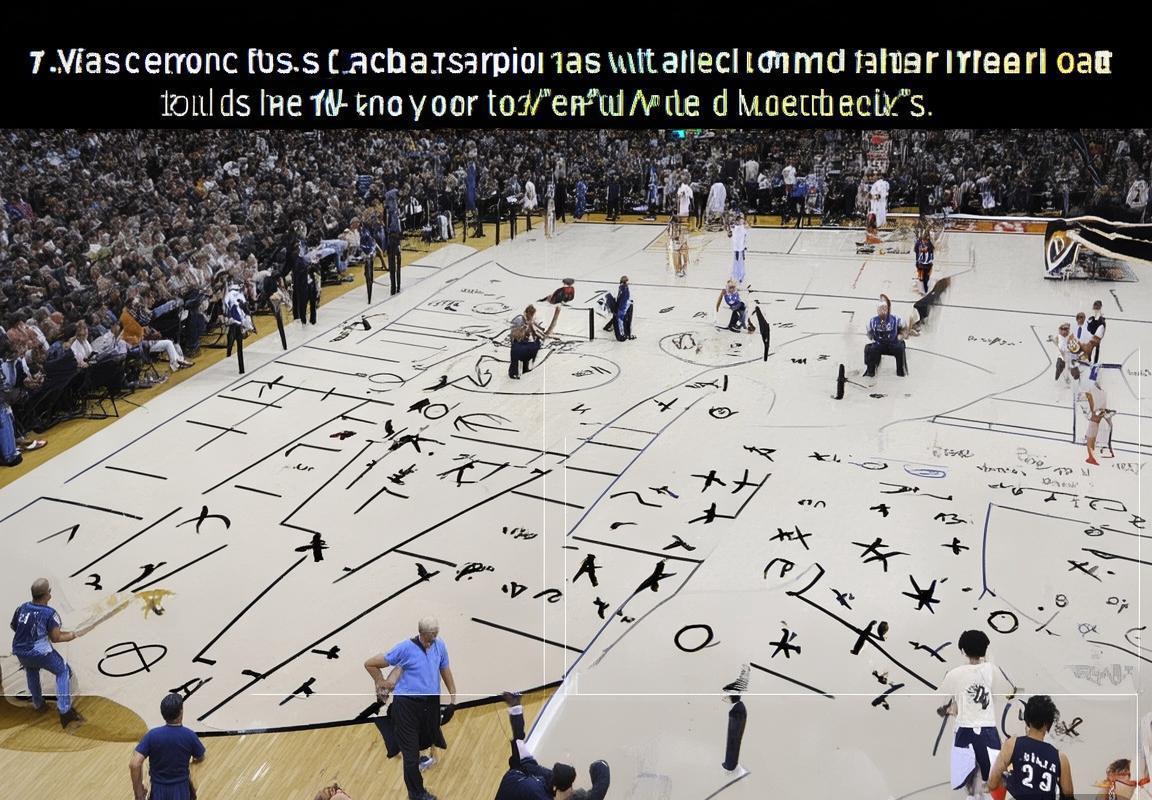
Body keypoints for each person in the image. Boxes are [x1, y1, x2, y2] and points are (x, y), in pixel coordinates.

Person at [365, 617, 457, 800]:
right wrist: (380, 681)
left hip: (430, 705)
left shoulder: (439, 645)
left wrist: (453, 699)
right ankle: (416, 793)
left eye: (435, 636)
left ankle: (419, 756)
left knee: (428, 739)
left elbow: (445, 669)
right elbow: (370, 663)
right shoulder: (404, 648)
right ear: (421, 633)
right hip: (407, 707)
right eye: (429, 637)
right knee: (410, 757)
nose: (432, 641)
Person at [937, 629, 1014, 799]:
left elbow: (941, 700)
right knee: (993, 779)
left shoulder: (954, 674)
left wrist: (951, 708)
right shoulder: (992, 670)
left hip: (964, 732)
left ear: (963, 650)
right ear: (985, 650)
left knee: (969, 781)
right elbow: (1009, 692)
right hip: (987, 731)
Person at [495, 690, 609, 800]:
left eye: (570, 786)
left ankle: (515, 707)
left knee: (520, 752)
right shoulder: (534, 791)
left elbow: (521, 751)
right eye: (568, 789)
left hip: (520, 773)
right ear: (555, 789)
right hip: (515, 785)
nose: (571, 791)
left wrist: (515, 710)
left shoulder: (548, 776)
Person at [10, 577, 84, 727]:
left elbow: (14, 626)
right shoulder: (50, 613)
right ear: (47, 594)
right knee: (62, 671)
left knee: (31, 671)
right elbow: (56, 638)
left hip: (19, 650)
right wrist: (73, 635)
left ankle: (38, 704)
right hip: (40, 652)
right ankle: (65, 711)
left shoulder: (22, 607)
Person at [988, 694, 1074, 800]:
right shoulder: (1060, 758)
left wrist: (1009, 780)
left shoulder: (1012, 744)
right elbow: (1068, 795)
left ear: (1027, 718)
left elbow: (992, 783)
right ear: (1049, 723)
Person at [129, 693, 206, 800]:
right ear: (181, 712)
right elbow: (200, 756)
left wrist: (139, 793)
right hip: (181, 790)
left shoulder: (152, 735)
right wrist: (193, 762)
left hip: (158, 790)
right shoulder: (189, 735)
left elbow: (134, 764)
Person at [863, 296, 907, 378]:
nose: (883, 311)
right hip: (879, 346)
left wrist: (901, 335)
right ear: (877, 310)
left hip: (894, 345)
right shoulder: (872, 321)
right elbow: (869, 334)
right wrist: (874, 339)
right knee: (870, 349)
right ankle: (870, 371)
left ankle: (901, 371)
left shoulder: (897, 319)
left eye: (885, 308)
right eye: (881, 309)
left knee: (900, 348)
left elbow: (904, 329)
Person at [1083, 364, 1114, 465]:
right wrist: (1093, 412)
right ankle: (1091, 457)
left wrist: (1104, 411)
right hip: (1095, 416)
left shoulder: (1101, 390)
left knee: (1095, 433)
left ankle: (1094, 455)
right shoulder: (1091, 388)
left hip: (1099, 416)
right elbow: (1088, 398)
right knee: (1092, 433)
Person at [508, 305, 546, 380]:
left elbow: (535, 331)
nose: (531, 316)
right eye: (530, 314)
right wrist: (523, 329)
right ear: (526, 313)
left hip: (525, 341)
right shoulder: (518, 319)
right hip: (517, 341)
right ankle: (513, 372)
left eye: (532, 314)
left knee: (531, 349)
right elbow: (513, 333)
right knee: (516, 352)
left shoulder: (530, 320)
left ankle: (525, 368)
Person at [602, 276, 635, 341]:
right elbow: (623, 300)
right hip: (623, 307)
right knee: (621, 320)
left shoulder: (622, 287)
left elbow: (620, 298)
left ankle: (608, 327)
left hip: (621, 306)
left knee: (617, 318)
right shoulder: (624, 288)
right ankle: (623, 334)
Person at [728, 213, 748, 284]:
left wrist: (745, 246)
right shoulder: (736, 229)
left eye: (743, 221)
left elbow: (744, 238)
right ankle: (736, 276)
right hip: (737, 249)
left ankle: (740, 276)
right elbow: (731, 237)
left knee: (741, 263)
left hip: (741, 249)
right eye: (741, 221)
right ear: (738, 221)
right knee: (736, 262)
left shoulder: (742, 228)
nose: (743, 222)